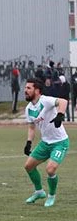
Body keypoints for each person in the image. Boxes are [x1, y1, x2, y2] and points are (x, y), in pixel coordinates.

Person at [22, 78, 68, 208]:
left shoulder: (45, 100)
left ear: (37, 90)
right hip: (45, 143)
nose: (25, 90)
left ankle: (51, 195)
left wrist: (60, 115)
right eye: (25, 88)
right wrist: (29, 143)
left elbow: (63, 101)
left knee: (50, 169)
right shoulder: (29, 108)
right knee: (28, 166)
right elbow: (32, 127)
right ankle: (39, 192)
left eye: (28, 88)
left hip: (60, 142)